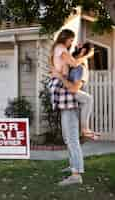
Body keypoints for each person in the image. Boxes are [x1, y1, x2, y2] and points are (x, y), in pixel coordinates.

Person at [48, 29, 100, 186]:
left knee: (72, 139)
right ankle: (73, 165)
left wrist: (59, 75)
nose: (74, 44)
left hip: (67, 96)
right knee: (68, 138)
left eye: (77, 44)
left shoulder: (78, 66)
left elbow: (72, 88)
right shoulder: (62, 51)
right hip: (63, 94)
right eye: (73, 40)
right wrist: (58, 74)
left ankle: (76, 174)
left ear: (82, 50)